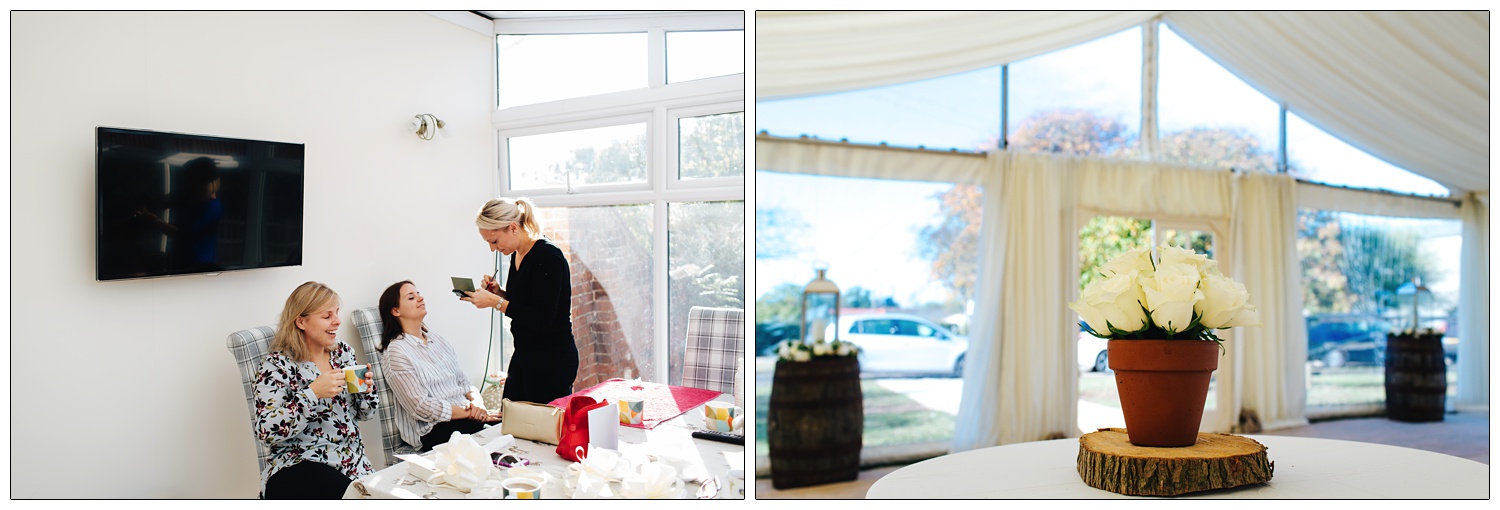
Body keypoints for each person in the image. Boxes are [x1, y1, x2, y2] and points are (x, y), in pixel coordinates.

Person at [254, 281, 377, 499]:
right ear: (301, 321)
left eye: (336, 313)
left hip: (351, 462)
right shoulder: (277, 366)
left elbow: (365, 414)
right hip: (299, 464)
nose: (337, 321)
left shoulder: (343, 353)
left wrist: (366, 391)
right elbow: (266, 431)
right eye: (327, 316)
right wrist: (312, 393)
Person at [461, 197, 580, 404]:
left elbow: (542, 320)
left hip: (551, 359)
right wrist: (500, 293)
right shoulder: (516, 254)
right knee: (511, 419)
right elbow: (526, 303)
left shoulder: (547, 257)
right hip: (526, 354)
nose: (492, 249)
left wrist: (495, 303)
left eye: (494, 241)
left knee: (540, 430)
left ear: (513, 228)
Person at [377, 280, 499, 452]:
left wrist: (478, 404)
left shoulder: (437, 340)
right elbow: (420, 406)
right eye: (411, 297)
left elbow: (463, 381)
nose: (420, 298)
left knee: (508, 425)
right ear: (395, 311)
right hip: (434, 429)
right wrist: (469, 412)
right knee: (493, 436)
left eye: (418, 293)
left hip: (466, 416)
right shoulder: (397, 352)